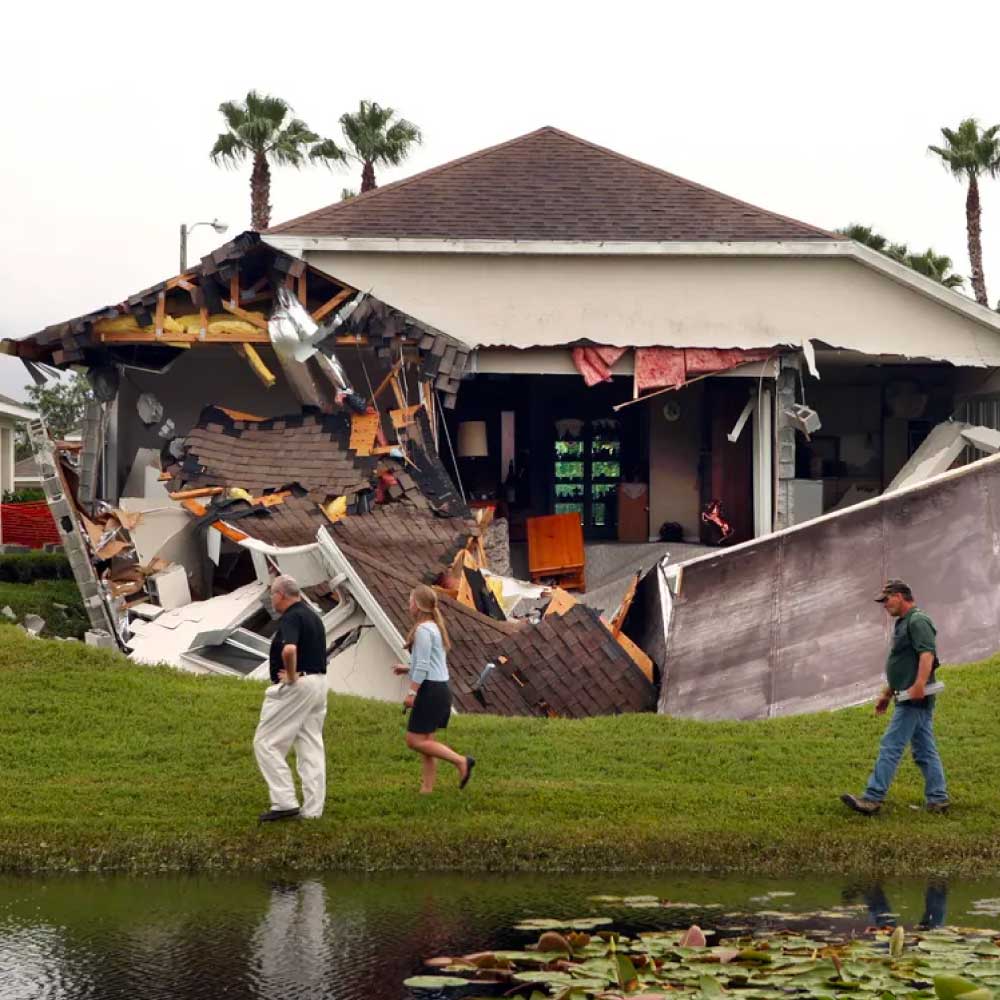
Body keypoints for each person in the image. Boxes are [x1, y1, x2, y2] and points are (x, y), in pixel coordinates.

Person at [841, 579, 949, 816]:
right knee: (924, 751)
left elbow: (926, 655)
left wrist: (920, 684)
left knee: (891, 746)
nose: (884, 605)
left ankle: (872, 798)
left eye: (886, 599)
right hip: (907, 696)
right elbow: (902, 664)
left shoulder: (918, 620)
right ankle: (938, 798)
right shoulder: (903, 623)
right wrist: (887, 695)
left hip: (914, 697)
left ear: (900, 596)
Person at [253, 575, 329, 822]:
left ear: (281, 595)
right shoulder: (313, 616)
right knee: (310, 744)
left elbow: (289, 649)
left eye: (272, 594)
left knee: (266, 742)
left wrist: (293, 676)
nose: (271, 599)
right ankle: (313, 810)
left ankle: (284, 801)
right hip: (319, 683)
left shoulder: (292, 616)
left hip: (300, 685)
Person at [393, 585, 474, 794]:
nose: (408, 605)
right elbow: (429, 662)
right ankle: (426, 789)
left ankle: (461, 761)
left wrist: (411, 693)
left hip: (430, 690)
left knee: (414, 740)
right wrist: (407, 668)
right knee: (426, 741)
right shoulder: (434, 627)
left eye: (410, 601)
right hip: (439, 687)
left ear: (418, 606)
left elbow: (423, 666)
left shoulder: (422, 630)